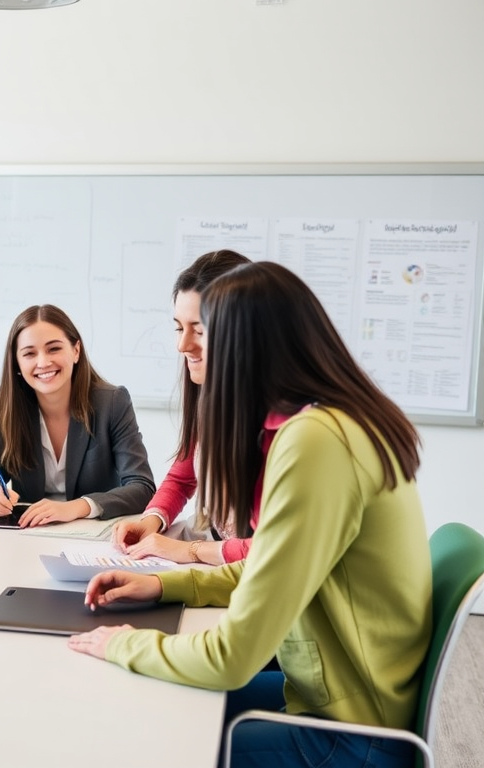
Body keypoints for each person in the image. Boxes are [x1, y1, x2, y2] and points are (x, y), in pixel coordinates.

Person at [68, 262, 430, 768]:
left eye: (204, 332)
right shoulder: (333, 421)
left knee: (144, 737)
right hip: (336, 699)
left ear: (246, 347)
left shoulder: (316, 442)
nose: (185, 348)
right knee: (145, 702)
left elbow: (233, 658)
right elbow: (272, 563)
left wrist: (126, 645)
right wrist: (165, 586)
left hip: (350, 735)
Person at [112, 250, 252, 564]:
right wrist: (150, 522)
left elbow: (272, 549)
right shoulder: (213, 396)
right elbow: (183, 476)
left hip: (239, 560)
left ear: (242, 332)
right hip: (213, 542)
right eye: (179, 328)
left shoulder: (278, 426)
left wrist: (187, 551)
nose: (182, 345)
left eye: (199, 330)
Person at [0, 305, 156, 526]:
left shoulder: (112, 402)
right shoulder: (8, 402)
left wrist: (76, 507)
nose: (43, 362)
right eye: (29, 353)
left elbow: (142, 485)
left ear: (76, 351)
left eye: (54, 349)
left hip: (94, 533)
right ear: (17, 363)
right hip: (28, 532)